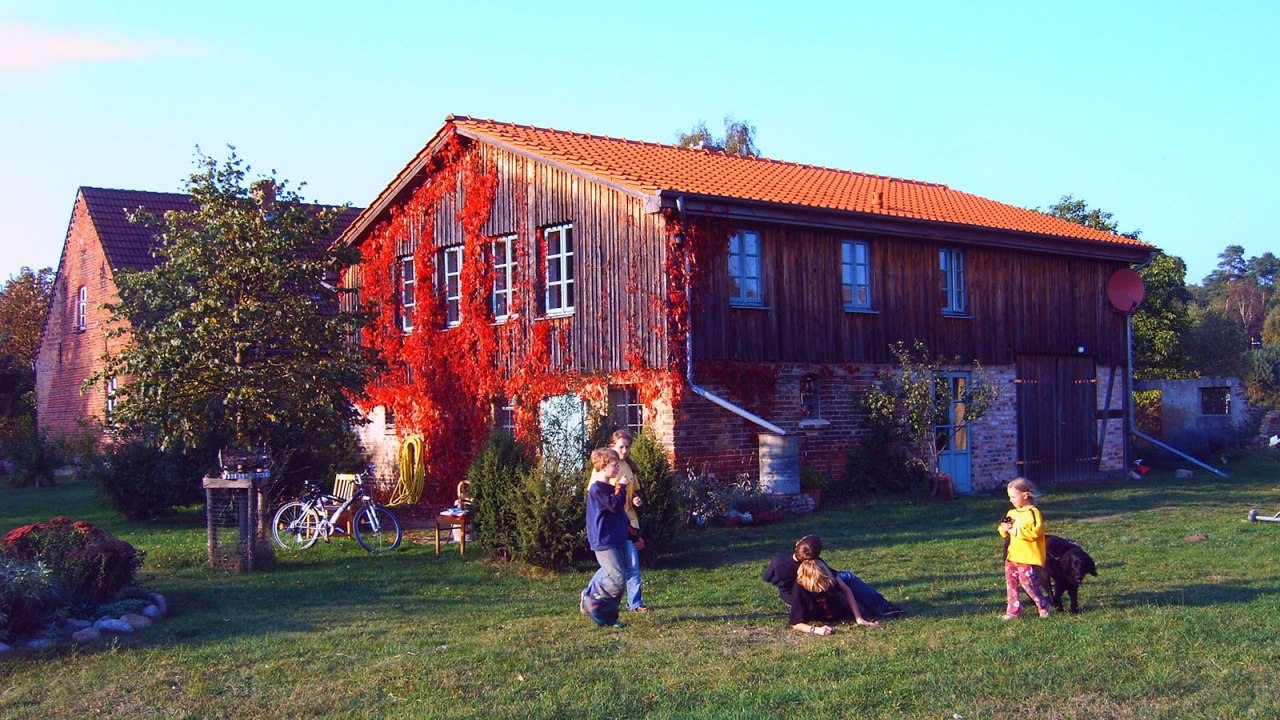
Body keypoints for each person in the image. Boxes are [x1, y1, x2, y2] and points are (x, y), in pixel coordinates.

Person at [763, 535, 901, 635]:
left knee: (845, 588)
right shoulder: (818, 567)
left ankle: (867, 610)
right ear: (815, 555)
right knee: (848, 577)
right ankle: (882, 607)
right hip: (814, 596)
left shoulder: (778, 562)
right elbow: (843, 588)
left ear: (797, 545)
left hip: (792, 597)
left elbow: (768, 578)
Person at [579, 447, 630, 627]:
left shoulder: (608, 487)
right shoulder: (597, 489)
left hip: (616, 537)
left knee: (620, 578)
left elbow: (619, 513)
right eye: (614, 465)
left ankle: (609, 616)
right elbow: (614, 506)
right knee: (616, 578)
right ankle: (591, 598)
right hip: (603, 539)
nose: (617, 468)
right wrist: (622, 487)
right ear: (603, 466)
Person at [998, 477, 1051, 620]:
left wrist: (1016, 532)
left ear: (1025, 495)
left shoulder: (1033, 513)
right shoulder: (1011, 513)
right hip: (1012, 556)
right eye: (1010, 497)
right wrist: (1004, 529)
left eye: (1014, 497)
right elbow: (1003, 529)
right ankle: (1013, 612)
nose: (1011, 500)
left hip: (1027, 557)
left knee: (1028, 584)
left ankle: (1043, 606)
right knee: (1011, 585)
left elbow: (1035, 533)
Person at [608, 428, 648, 612]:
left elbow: (632, 492)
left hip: (630, 521)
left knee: (633, 564)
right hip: (613, 522)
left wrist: (635, 499)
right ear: (612, 447)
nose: (625, 451)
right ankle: (594, 596)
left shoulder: (629, 467)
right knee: (613, 567)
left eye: (628, 447)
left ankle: (635, 603)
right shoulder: (606, 467)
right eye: (621, 447)